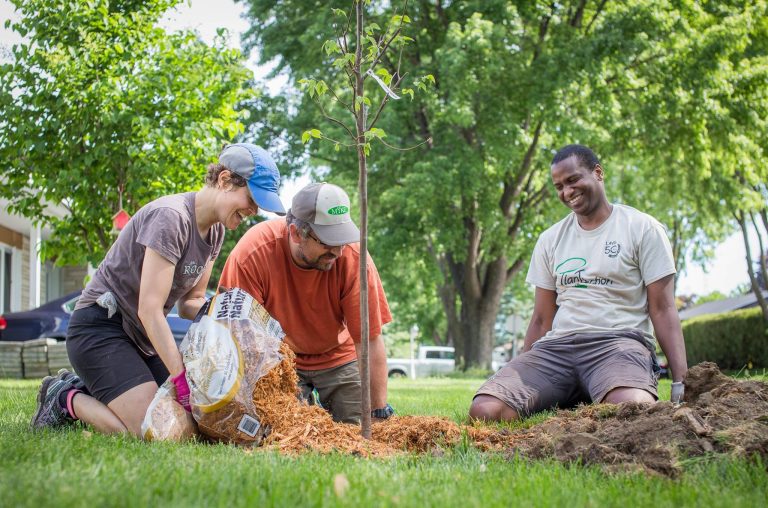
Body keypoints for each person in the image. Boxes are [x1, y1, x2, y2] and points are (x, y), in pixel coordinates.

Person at [30, 143, 286, 436]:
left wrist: (228, 314)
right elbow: (150, 310)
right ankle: (63, 396)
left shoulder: (214, 232)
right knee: (149, 430)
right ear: (225, 180)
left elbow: (191, 302)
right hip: (100, 329)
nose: (253, 211)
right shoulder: (171, 217)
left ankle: (101, 386)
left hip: (141, 340)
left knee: (191, 427)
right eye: (252, 199)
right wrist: (180, 380)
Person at [469, 144, 688, 421]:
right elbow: (540, 318)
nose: (567, 192)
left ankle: (599, 387)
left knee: (631, 410)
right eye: (559, 186)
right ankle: (574, 390)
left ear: (598, 173)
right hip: (557, 349)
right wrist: (524, 369)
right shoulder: (551, 239)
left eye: (573, 180)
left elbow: (663, 309)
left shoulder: (642, 228)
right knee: (485, 411)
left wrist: (681, 381)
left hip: (618, 345)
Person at [218, 182, 394, 424]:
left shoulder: (354, 258)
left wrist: (378, 411)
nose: (338, 251)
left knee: (360, 427)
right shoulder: (253, 253)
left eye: (342, 238)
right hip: (279, 359)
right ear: (295, 233)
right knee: (283, 430)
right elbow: (240, 339)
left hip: (338, 356)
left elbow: (369, 340)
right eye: (327, 241)